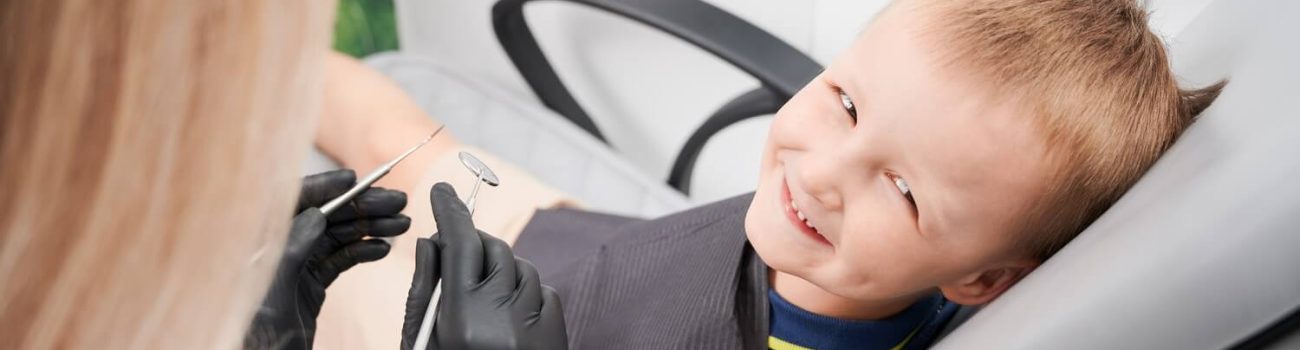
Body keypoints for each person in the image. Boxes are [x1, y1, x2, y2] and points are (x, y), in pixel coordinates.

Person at [314, 0, 1226, 349]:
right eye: (847, 103)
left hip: (558, 325)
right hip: (616, 256)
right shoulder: (847, 243)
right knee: (390, 128)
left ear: (983, 280)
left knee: (298, 263)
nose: (824, 173)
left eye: (904, 191)